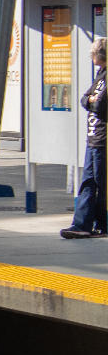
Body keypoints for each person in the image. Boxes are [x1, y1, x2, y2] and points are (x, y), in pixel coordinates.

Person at [61, 37, 107, 239]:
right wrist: (91, 100)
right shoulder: (100, 75)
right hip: (93, 137)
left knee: (99, 182)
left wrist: (92, 101)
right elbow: (85, 99)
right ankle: (83, 224)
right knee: (89, 181)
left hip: (103, 139)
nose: (91, 55)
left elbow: (101, 105)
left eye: (93, 52)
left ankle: (98, 224)